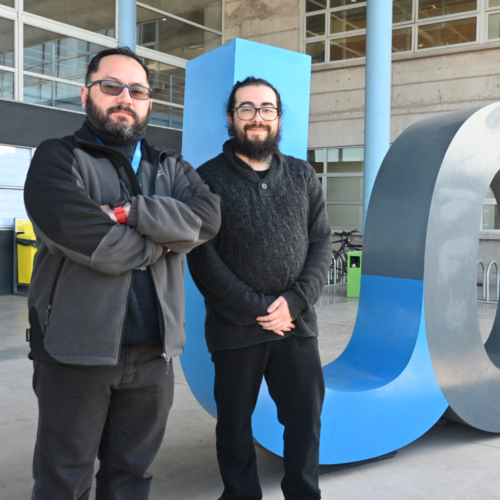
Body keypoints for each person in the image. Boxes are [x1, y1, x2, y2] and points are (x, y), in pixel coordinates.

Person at [24, 47, 220, 500]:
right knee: (63, 481)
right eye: (111, 86)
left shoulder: (170, 166)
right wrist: (167, 241)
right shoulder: (56, 160)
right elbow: (99, 247)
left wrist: (129, 211)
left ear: (149, 102)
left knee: (131, 478)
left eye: (137, 91)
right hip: (75, 355)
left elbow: (208, 219)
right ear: (85, 94)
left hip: (154, 356)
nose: (124, 98)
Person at [187, 77, 332, 500]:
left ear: (279, 118)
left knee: (305, 422)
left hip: (296, 325)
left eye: (266, 109)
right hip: (235, 329)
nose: (257, 118)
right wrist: (257, 308)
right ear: (231, 118)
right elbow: (202, 256)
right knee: (234, 426)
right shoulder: (206, 179)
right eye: (246, 109)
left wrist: (294, 302)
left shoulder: (303, 175)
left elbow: (322, 242)